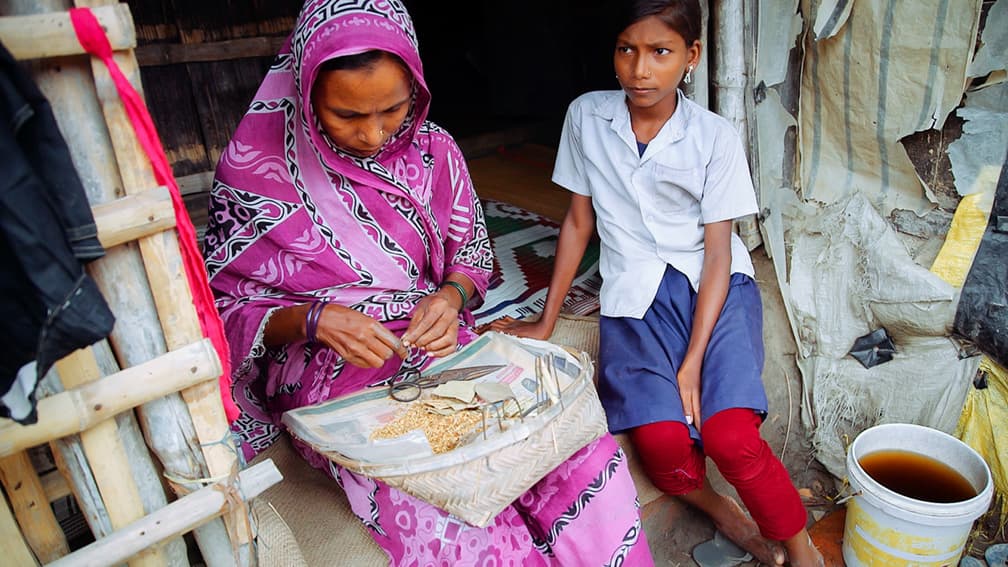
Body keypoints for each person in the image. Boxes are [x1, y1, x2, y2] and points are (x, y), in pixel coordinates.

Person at [203, 1, 653, 564]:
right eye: (346, 115)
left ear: (415, 86)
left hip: (431, 341)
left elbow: (472, 257)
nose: (373, 134)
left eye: (392, 109)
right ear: (303, 90)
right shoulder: (252, 170)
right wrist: (311, 319)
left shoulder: (436, 149)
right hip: (325, 367)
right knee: (435, 495)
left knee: (571, 451)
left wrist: (451, 295)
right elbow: (220, 310)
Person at [483, 1, 824, 565]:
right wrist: (547, 318)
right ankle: (720, 510)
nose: (640, 70)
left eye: (660, 52)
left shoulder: (714, 137)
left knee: (731, 437)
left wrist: (692, 362)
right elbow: (577, 220)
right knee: (662, 442)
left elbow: (717, 253)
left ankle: (801, 548)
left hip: (713, 290)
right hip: (634, 297)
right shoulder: (587, 117)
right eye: (627, 50)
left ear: (691, 57)